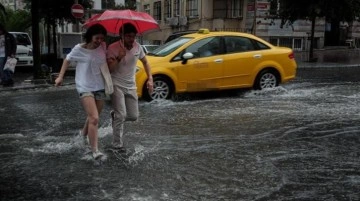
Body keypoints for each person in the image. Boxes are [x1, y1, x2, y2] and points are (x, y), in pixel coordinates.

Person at [55, 24, 108, 160]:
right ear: (90, 36)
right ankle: (95, 150)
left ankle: (83, 135)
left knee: (93, 117)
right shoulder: (79, 48)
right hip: (84, 86)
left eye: (102, 38)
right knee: (94, 118)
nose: (99, 41)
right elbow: (67, 60)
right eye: (97, 38)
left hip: (100, 85)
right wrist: (60, 76)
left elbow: (105, 62)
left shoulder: (103, 47)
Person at [107, 23, 153, 152]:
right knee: (121, 115)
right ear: (121, 36)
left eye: (133, 36)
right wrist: (119, 57)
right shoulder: (113, 48)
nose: (131, 39)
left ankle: (115, 116)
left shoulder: (138, 47)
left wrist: (150, 78)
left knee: (133, 116)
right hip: (116, 84)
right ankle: (117, 145)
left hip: (131, 85)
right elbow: (110, 69)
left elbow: (146, 62)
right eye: (128, 36)